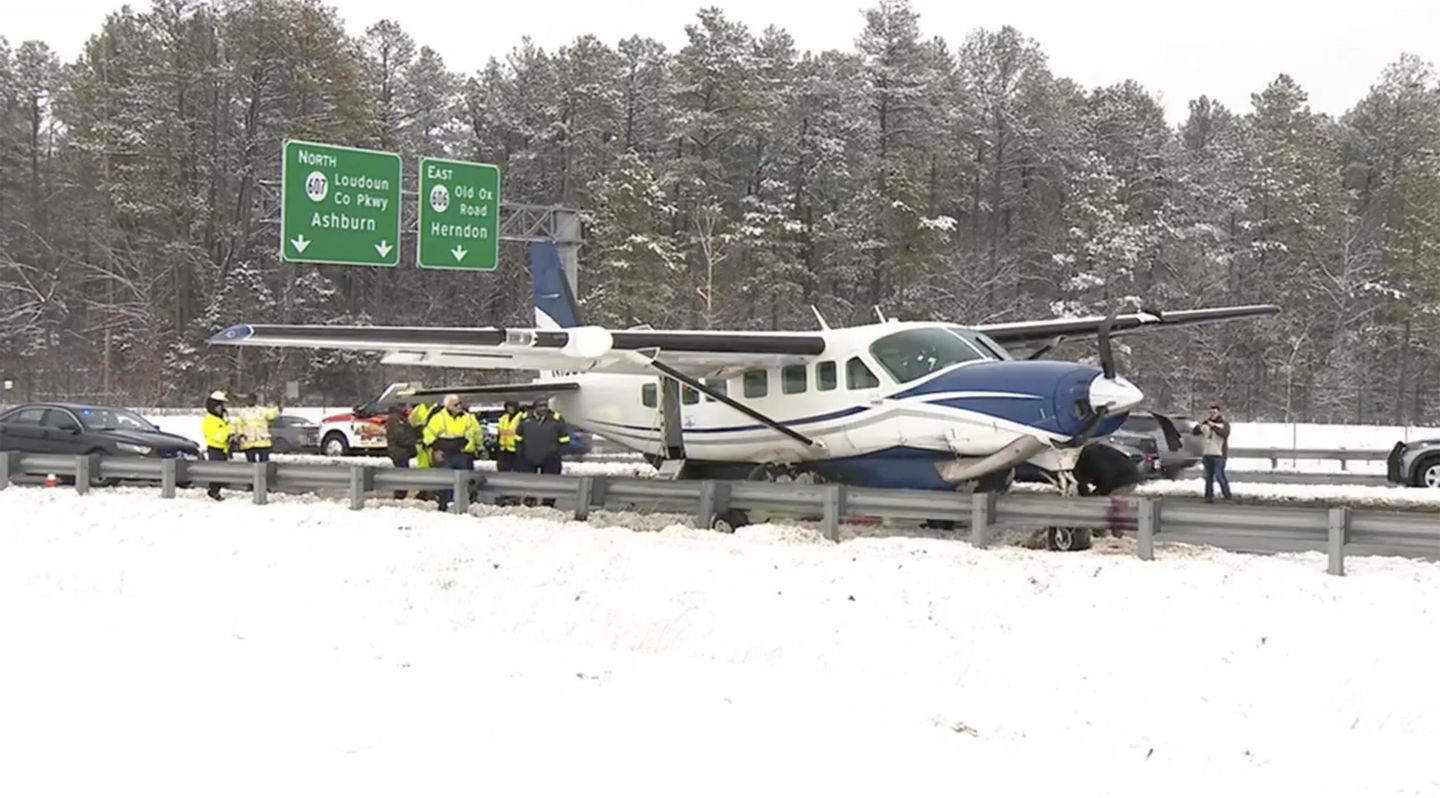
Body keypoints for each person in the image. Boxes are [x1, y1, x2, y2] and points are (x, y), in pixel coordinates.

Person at [423, 394, 481, 512]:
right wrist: (435, 449)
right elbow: (428, 434)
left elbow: (476, 433)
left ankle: (463, 506)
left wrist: (475, 448)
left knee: (464, 482)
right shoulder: (439, 418)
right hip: (445, 454)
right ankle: (444, 504)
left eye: (460, 403)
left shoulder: (468, 418)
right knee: (446, 481)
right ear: (448, 406)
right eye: (456, 404)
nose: (459, 406)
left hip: (462, 453)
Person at [515, 398, 571, 507]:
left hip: (550, 457)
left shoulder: (556, 419)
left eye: (545, 406)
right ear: (535, 408)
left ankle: (548, 504)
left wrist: (558, 453)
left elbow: (564, 439)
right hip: (529, 456)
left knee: (550, 482)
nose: (543, 409)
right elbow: (518, 437)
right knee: (529, 481)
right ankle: (530, 501)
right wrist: (520, 452)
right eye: (540, 406)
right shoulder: (525, 418)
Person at [1193, 404, 1233, 502]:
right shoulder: (1206, 424)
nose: (1212, 414)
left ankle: (1227, 495)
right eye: (1210, 413)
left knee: (1219, 475)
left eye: (1214, 412)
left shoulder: (1224, 424)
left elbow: (1224, 433)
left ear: (1219, 413)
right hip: (1207, 453)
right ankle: (1209, 496)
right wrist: (1200, 425)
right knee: (1208, 476)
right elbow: (1195, 432)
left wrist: (1213, 426)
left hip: (1219, 454)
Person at [200, 390, 235, 501]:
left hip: (223, 448)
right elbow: (216, 434)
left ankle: (217, 488)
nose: (222, 407)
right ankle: (213, 491)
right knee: (216, 471)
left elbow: (229, 428)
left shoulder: (222, 418)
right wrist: (227, 437)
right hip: (215, 448)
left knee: (222, 470)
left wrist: (233, 436)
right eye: (220, 405)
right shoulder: (209, 420)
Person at [384, 404, 418, 499]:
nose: (407, 409)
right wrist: (414, 438)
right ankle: (399, 496)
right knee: (403, 475)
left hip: (401, 452)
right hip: (399, 452)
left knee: (403, 474)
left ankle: (400, 495)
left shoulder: (399, 419)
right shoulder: (396, 420)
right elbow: (400, 436)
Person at [234, 393, 280, 463]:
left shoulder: (262, 411)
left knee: (264, 463)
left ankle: (264, 473)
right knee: (251, 463)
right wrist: (240, 434)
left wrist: (278, 408)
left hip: (263, 442)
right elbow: (238, 425)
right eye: (249, 399)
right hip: (249, 442)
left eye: (252, 399)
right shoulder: (242, 412)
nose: (250, 401)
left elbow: (272, 415)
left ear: (256, 400)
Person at [495, 401, 524, 472]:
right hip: (504, 449)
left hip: (516, 449)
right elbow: (500, 432)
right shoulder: (503, 418)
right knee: (502, 470)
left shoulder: (521, 417)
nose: (510, 409)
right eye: (508, 407)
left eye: (512, 407)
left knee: (517, 471)